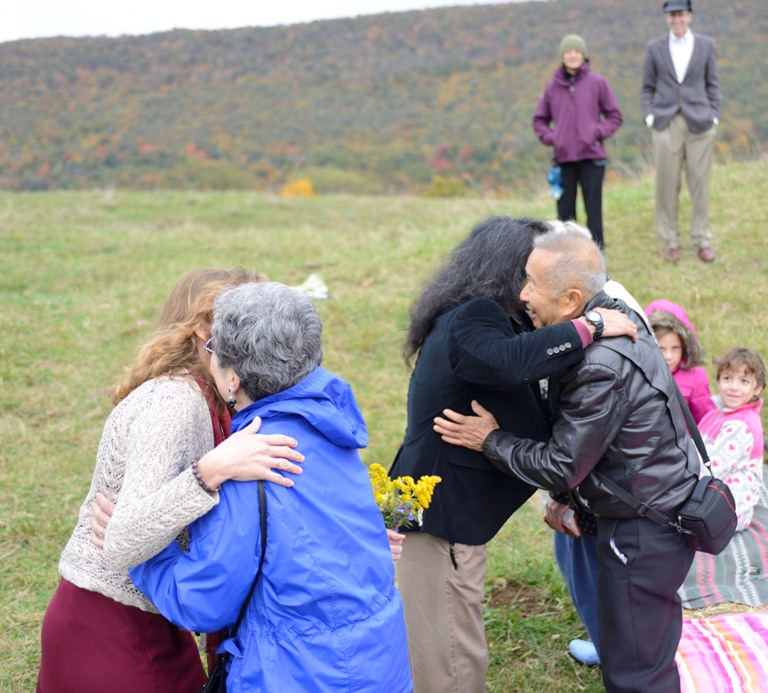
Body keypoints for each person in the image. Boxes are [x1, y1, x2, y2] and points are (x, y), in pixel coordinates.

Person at [434, 228, 700, 692]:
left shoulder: (600, 363)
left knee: (637, 671)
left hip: (644, 527)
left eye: (533, 285)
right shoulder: (608, 320)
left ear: (573, 297)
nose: (522, 295)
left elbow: (562, 463)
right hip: (640, 512)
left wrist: (490, 439)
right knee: (633, 652)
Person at [389, 215, 637, 693]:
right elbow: (508, 364)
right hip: (440, 517)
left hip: (444, 514)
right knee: (449, 658)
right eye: (531, 271)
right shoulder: (472, 315)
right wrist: (591, 326)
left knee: (452, 638)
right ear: (507, 268)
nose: (532, 287)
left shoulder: (486, 318)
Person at [130, 282, 413, 692]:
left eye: (213, 350)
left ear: (233, 380)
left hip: (297, 675)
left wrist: (146, 555)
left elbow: (203, 602)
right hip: (378, 665)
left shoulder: (252, 462)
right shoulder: (333, 426)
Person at [36, 268, 306, 693]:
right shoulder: (173, 403)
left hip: (157, 618)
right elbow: (125, 541)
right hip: (114, 626)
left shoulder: (216, 397)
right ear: (202, 328)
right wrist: (210, 474)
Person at [641, 0, 720, 263]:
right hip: (666, 124)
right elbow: (647, 88)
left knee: (700, 184)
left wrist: (714, 115)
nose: (677, 19)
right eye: (672, 15)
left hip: (700, 124)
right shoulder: (655, 48)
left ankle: (701, 240)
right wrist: (650, 117)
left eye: (681, 14)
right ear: (667, 18)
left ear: (689, 16)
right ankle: (670, 241)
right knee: (666, 185)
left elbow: (713, 84)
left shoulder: (706, 45)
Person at [533, 34, 623, 249]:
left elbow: (614, 116)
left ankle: (597, 259)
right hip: (564, 160)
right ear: (562, 56)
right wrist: (554, 138)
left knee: (593, 212)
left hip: (592, 158)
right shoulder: (552, 87)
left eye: (577, 51)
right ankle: (567, 258)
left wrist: (596, 133)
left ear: (584, 55)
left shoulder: (597, 83)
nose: (573, 55)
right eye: (568, 51)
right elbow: (539, 120)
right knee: (565, 215)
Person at [698, 347, 765, 531]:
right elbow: (696, 447)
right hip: (711, 485)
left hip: (729, 507)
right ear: (718, 381)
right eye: (727, 378)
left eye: (744, 381)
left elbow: (711, 468)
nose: (734, 387)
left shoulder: (742, 425)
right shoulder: (715, 414)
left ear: (757, 388)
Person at [646, 298, 715, 423]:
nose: (668, 356)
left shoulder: (696, 377)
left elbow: (706, 421)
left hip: (681, 442)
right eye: (661, 349)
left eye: (675, 348)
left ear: (685, 346)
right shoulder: (637, 372)